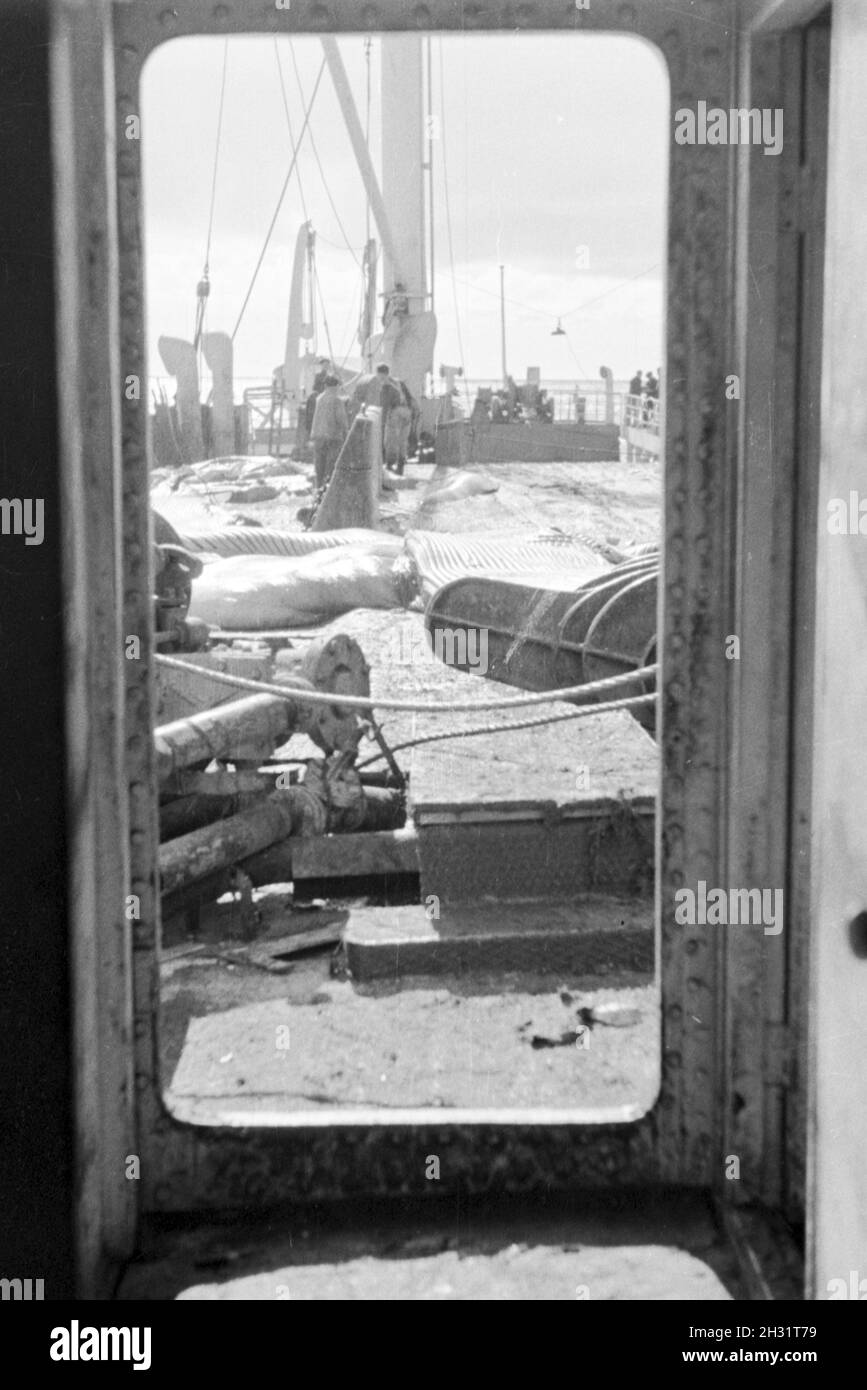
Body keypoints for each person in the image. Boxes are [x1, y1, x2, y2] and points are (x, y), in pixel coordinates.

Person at [309, 375, 348, 490]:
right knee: (330, 468)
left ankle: (318, 492)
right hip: (333, 438)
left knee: (319, 468)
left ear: (325, 386)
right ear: (336, 386)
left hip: (318, 437)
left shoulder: (319, 399)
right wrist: (346, 434)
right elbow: (341, 420)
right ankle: (327, 493)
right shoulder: (337, 400)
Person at [384, 377, 417, 475]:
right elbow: (415, 409)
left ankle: (390, 464)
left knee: (391, 438)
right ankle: (401, 464)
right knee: (403, 440)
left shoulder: (391, 386)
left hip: (396, 411)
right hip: (407, 413)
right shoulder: (406, 393)